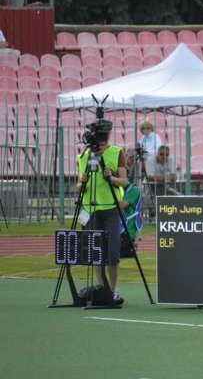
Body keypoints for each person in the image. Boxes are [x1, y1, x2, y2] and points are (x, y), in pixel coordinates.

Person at [76, 124, 127, 305]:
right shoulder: (84, 156)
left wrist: (110, 178)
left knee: (112, 253)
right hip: (91, 209)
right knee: (96, 253)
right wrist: (82, 182)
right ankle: (100, 287)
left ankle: (113, 289)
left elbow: (124, 180)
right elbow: (79, 186)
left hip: (111, 209)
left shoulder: (117, 152)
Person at [119, 148, 143, 256]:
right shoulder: (120, 190)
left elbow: (120, 206)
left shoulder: (134, 190)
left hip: (126, 233)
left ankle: (131, 247)